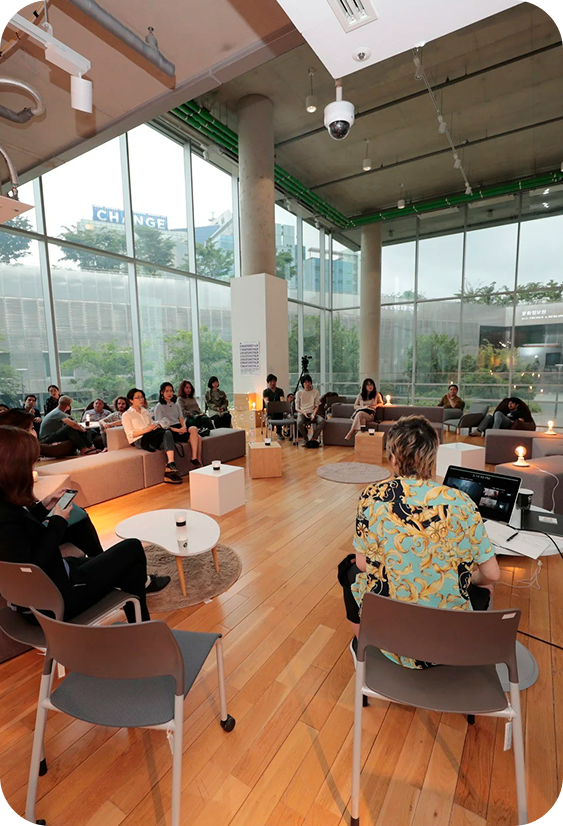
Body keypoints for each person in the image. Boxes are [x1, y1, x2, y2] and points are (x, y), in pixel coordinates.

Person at [338, 415, 500, 669]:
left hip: (390, 640)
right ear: (433, 457)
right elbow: (492, 573)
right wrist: (476, 580)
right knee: (476, 586)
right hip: (450, 642)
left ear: (393, 457)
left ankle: (363, 643)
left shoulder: (371, 496)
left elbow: (362, 563)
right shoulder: (462, 502)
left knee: (347, 568)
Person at [0, 426, 169, 623]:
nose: (32, 470)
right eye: (29, 464)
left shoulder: (5, 506)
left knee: (123, 565)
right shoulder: (5, 521)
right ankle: (141, 624)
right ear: (14, 468)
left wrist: (43, 507)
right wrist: (58, 521)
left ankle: (139, 625)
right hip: (56, 600)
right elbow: (33, 565)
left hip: (52, 586)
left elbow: (22, 535)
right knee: (132, 548)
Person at [121, 388, 183, 485]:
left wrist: (154, 426)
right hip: (139, 440)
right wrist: (147, 430)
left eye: (142, 397)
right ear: (131, 400)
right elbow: (130, 434)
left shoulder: (145, 411)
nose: (141, 399)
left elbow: (151, 424)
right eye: (137, 398)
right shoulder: (127, 415)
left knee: (167, 434)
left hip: (151, 435)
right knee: (167, 440)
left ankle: (170, 465)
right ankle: (170, 468)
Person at [154, 382, 202, 467]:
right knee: (198, 438)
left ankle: (194, 458)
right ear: (162, 392)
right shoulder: (159, 406)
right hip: (169, 430)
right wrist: (178, 430)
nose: (170, 393)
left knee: (194, 429)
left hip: (179, 426)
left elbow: (181, 417)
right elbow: (162, 424)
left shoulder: (175, 404)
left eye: (171, 391)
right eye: (167, 391)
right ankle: (198, 461)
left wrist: (183, 427)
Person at [295, 375, 325, 448]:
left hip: (312, 412)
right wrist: (304, 413)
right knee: (299, 423)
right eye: (305, 382)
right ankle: (306, 439)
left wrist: (314, 414)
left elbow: (316, 406)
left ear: (311, 383)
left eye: (308, 382)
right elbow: (297, 408)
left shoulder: (315, 392)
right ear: (302, 384)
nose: (307, 384)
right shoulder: (299, 393)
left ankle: (314, 438)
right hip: (302, 413)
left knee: (322, 421)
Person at [263, 373, 285, 440]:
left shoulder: (280, 390)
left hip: (278, 409)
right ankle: (277, 429)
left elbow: (282, 400)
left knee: (279, 412)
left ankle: (278, 431)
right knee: (274, 411)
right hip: (270, 409)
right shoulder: (265, 391)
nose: (273, 383)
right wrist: (273, 405)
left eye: (274, 381)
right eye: (271, 381)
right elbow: (267, 401)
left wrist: (278, 405)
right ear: (268, 383)